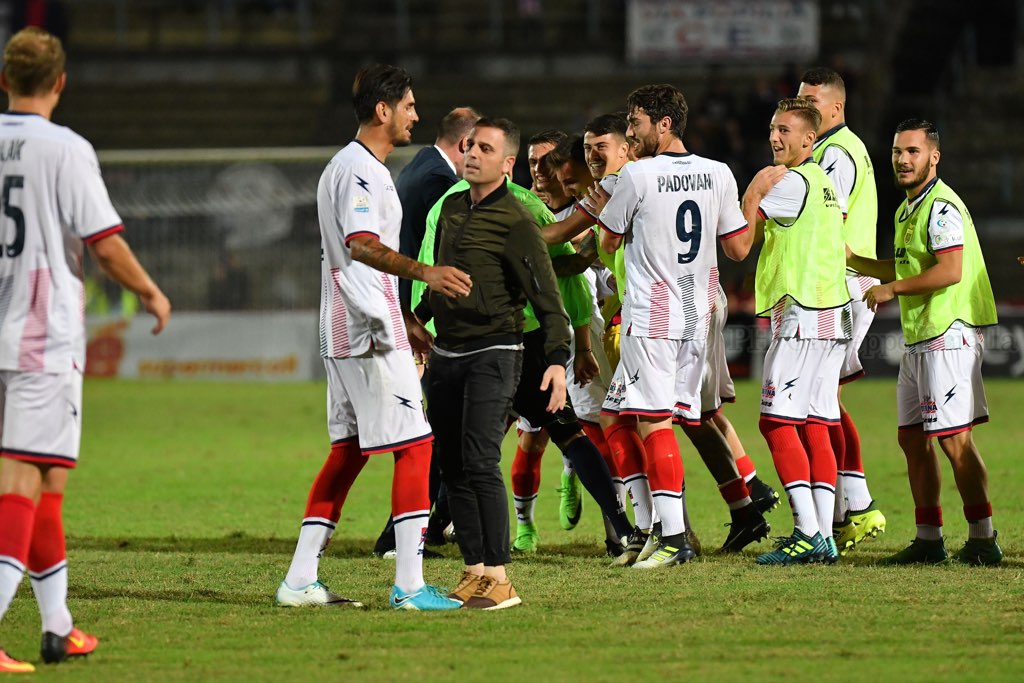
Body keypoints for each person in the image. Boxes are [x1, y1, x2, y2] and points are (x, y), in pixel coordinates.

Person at [0, 27, 171, 672]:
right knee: (23, 479)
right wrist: (152, 292)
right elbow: (104, 242)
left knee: (46, 480)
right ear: (61, 82)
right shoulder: (65, 149)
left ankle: (57, 627)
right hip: (42, 337)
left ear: (4, 80)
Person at [275, 64, 471, 612]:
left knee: (348, 452)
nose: (416, 114)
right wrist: (424, 274)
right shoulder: (359, 171)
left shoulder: (356, 167)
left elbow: (359, 255)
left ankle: (299, 578)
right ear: (383, 111)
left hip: (352, 326)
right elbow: (361, 245)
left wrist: (407, 318)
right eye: (409, 105)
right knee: (416, 444)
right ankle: (409, 585)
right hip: (366, 331)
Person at [414, 117, 570, 610]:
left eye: (484, 148)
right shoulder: (451, 209)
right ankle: (473, 571)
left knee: (481, 460)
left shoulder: (517, 221)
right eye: (469, 145)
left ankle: (500, 578)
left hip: (495, 352)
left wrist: (560, 360)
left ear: (506, 164)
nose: (471, 153)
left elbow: (548, 299)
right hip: (446, 353)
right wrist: (416, 320)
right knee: (454, 464)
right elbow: (442, 279)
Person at [597, 84, 755, 569]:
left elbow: (606, 242)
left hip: (652, 313)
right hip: (699, 315)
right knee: (645, 417)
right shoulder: (718, 173)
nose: (629, 130)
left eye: (636, 121)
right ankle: (658, 533)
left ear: (664, 124)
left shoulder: (637, 176)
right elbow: (738, 248)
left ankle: (672, 538)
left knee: (653, 421)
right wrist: (756, 199)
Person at [847, 119, 1001, 565]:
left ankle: (982, 537)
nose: (902, 159)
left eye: (912, 152)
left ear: (933, 156)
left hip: (948, 333)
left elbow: (950, 270)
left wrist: (891, 290)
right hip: (920, 337)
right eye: (897, 152)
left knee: (955, 441)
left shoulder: (941, 207)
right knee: (912, 439)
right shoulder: (907, 209)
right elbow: (905, 268)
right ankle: (929, 538)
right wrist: (855, 262)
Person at [740, 98, 852, 565]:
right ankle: (823, 534)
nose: (774, 137)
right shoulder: (825, 182)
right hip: (833, 313)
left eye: (785, 130)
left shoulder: (786, 184)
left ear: (810, 138)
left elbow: (738, 245)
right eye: (771, 128)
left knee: (775, 421)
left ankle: (806, 531)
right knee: (818, 422)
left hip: (804, 314)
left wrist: (751, 192)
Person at [372, 105, 480, 559]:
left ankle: (430, 524)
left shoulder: (421, 165)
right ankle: (403, 534)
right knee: (438, 429)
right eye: (480, 148)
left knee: (442, 427)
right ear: (463, 146)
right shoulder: (443, 184)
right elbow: (417, 251)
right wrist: (412, 317)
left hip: (416, 313)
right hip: (427, 319)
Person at [797, 67, 886, 554]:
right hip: (845, 283)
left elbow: (826, 218)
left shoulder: (835, 154)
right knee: (822, 395)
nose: (803, 106)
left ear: (835, 107)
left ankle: (856, 502)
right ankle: (844, 507)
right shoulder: (841, 148)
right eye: (799, 98)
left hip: (844, 285)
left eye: (812, 100)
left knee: (817, 398)